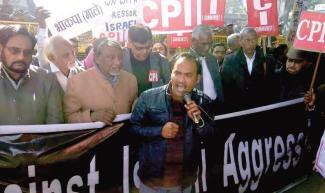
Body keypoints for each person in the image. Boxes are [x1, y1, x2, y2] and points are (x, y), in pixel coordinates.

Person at [130, 53, 215, 193]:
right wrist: (159, 131)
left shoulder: (202, 101)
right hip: (152, 182)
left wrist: (198, 121)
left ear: (197, 78)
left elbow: (212, 136)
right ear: (171, 73)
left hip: (185, 182)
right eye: (177, 73)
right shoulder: (148, 97)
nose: (181, 80)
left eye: (188, 75)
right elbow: (133, 130)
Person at [0, 25, 63, 124]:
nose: (21, 57)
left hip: (40, 139)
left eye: (27, 52)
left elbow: (55, 123)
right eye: (14, 50)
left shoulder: (47, 79)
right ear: (1, 48)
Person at [64, 39, 137, 124]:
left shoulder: (131, 80)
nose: (117, 62)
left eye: (120, 57)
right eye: (110, 57)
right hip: (96, 136)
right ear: (96, 59)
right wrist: (92, 116)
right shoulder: (76, 82)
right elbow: (68, 117)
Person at [222, 27, 275, 112]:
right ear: (240, 41)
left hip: (260, 108)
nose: (251, 44)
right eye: (247, 40)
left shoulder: (267, 60)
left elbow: (270, 86)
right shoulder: (230, 60)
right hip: (237, 109)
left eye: (254, 40)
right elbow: (226, 86)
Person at [122, 24, 170, 95]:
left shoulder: (161, 61)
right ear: (130, 42)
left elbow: (169, 89)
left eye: (148, 47)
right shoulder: (119, 59)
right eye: (139, 48)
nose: (144, 52)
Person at [189, 24, 223, 103]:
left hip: (216, 104)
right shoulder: (185, 60)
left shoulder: (212, 58)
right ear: (193, 41)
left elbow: (218, 84)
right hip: (197, 107)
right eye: (203, 44)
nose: (207, 48)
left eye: (210, 43)